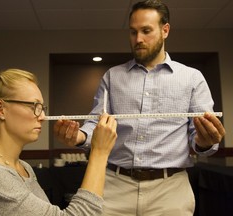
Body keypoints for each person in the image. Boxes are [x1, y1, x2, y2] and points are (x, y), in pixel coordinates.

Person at [53, 0, 226, 215]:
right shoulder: (112, 77)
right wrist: (77, 136)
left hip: (170, 190)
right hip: (113, 185)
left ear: (165, 30)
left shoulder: (192, 78)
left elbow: (198, 139)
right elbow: (96, 124)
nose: (138, 39)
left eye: (146, 31)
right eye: (133, 32)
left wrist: (204, 141)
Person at [0, 69, 118, 216]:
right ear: (0, 109)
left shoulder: (23, 168)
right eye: (34, 106)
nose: (42, 116)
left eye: (42, 107)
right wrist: (100, 152)